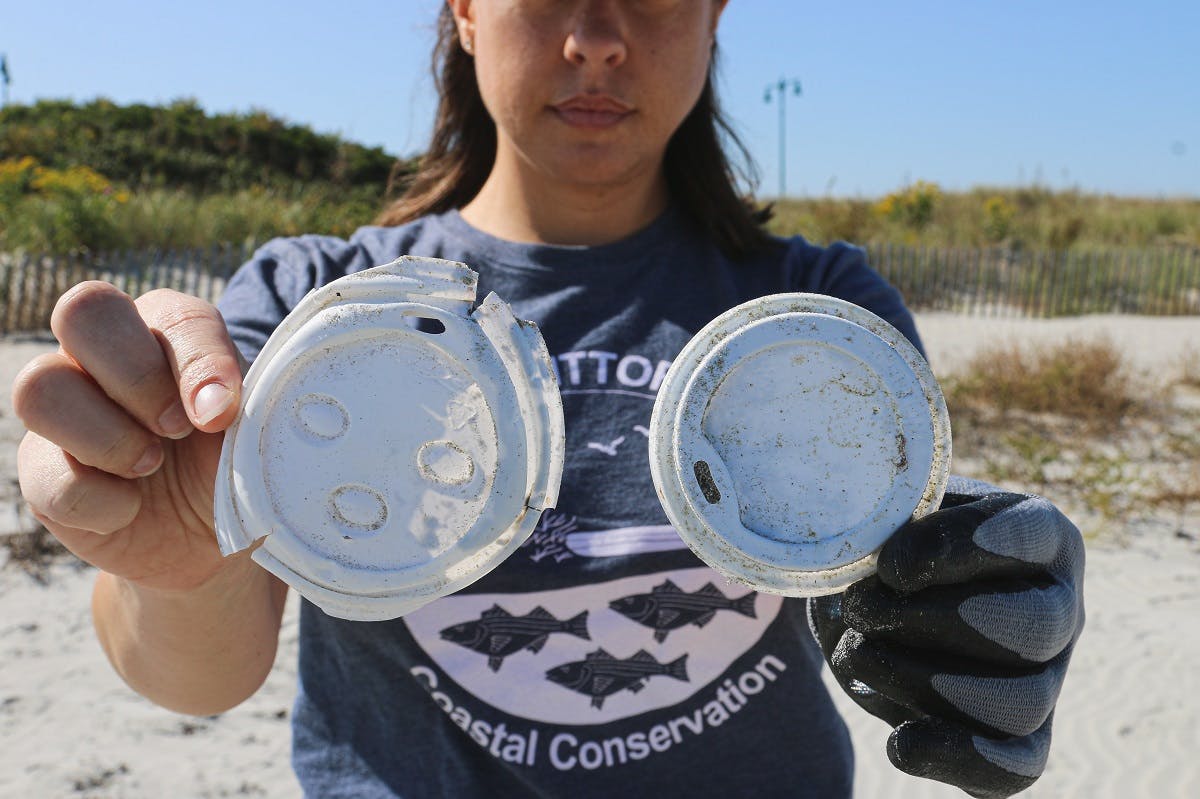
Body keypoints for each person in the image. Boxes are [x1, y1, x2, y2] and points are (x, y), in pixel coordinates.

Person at [12, 2, 1084, 797]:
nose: (600, 37)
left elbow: (876, 592)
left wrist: (966, 618)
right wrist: (180, 558)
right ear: (465, 12)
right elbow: (199, 676)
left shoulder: (812, 322)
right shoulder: (319, 318)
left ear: (715, 16)